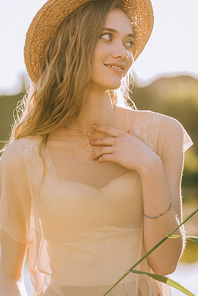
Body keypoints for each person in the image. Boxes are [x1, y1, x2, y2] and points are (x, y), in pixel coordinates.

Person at [0, 0, 193, 295]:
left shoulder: (162, 133)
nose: (124, 52)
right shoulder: (24, 156)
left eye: (129, 42)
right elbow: (6, 276)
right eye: (107, 36)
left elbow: (165, 263)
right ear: (71, 44)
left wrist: (149, 166)